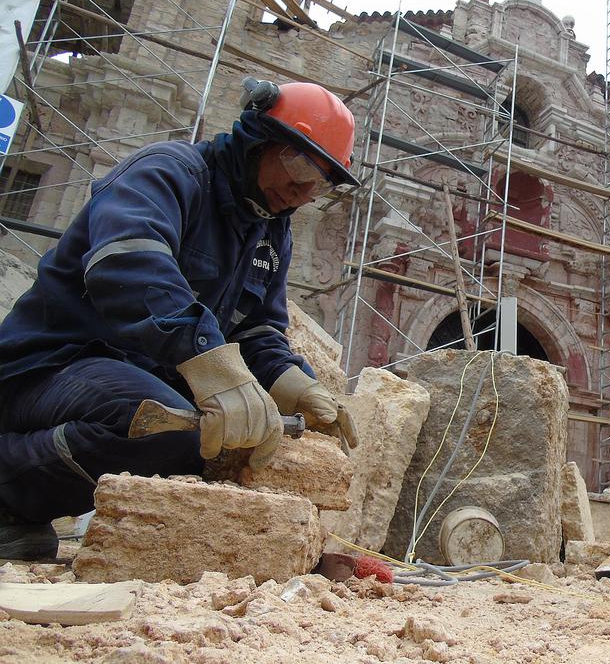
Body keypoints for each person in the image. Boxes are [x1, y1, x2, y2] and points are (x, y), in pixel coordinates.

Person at [0, 78, 360, 560]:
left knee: (208, 441)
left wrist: (293, 383)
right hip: (49, 368)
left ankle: (19, 511)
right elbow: (129, 267)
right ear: (258, 139)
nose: (305, 190)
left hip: (131, 381)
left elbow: (257, 330)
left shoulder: (270, 231)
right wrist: (209, 362)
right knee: (167, 430)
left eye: (323, 182)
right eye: (300, 166)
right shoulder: (169, 173)